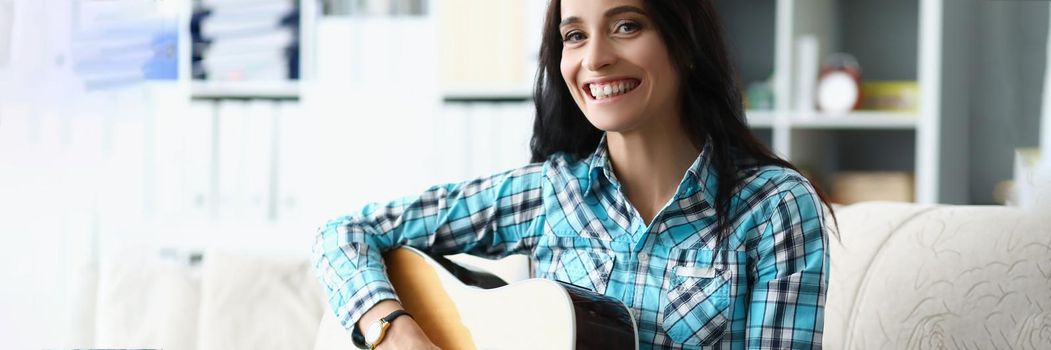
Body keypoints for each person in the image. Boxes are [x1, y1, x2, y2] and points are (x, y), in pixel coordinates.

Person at [311, 0, 835, 348]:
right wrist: (392, 330)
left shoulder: (775, 209)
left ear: (687, 45)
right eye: (575, 35)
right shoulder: (546, 193)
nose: (597, 58)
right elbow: (345, 233)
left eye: (626, 26)